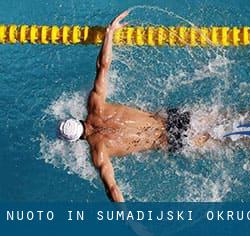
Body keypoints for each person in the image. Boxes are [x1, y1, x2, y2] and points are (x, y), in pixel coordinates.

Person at [58, 11, 210, 202]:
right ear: (76, 119)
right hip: (172, 118)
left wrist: (130, 222)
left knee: (227, 141)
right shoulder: (95, 105)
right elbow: (103, 66)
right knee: (226, 118)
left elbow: (112, 189)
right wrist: (109, 33)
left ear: (76, 140)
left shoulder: (99, 152)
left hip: (171, 140)